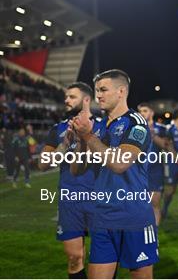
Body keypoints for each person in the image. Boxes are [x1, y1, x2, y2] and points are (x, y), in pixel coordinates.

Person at [71, 69, 158, 278]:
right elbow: (76, 169)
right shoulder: (98, 127)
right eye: (96, 91)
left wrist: (88, 136)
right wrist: (80, 141)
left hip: (133, 217)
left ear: (121, 91)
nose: (98, 95)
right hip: (102, 217)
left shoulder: (136, 123)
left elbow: (120, 164)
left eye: (103, 90)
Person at [39, 82, 104, 279]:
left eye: (72, 97)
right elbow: (43, 164)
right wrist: (64, 146)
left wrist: (87, 137)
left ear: (86, 100)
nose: (66, 100)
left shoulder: (104, 125)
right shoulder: (58, 129)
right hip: (70, 198)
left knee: (103, 258)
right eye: (66, 97)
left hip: (100, 198)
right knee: (75, 257)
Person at [138, 102, 170, 226]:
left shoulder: (161, 128)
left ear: (152, 112)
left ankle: (154, 232)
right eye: (140, 111)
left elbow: (165, 146)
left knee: (155, 202)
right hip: (139, 171)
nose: (142, 114)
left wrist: (153, 135)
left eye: (145, 111)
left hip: (156, 169)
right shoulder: (135, 129)